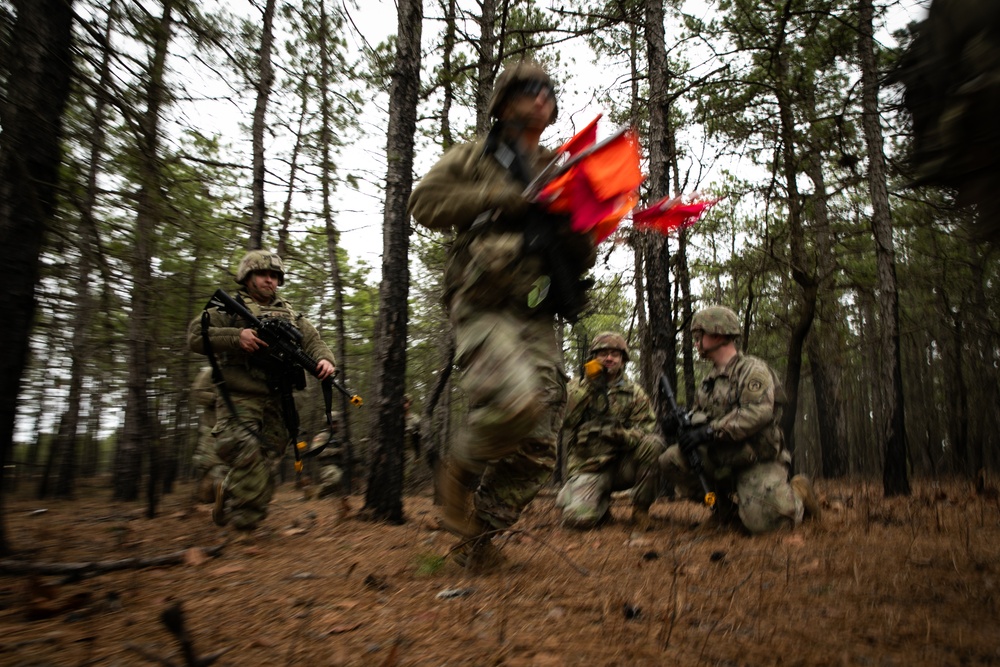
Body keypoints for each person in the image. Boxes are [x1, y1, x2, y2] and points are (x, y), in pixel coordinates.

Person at [407, 60, 596, 570]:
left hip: (535, 309)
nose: (543, 97)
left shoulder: (558, 168)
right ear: (505, 101)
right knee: (515, 403)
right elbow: (423, 202)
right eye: (531, 88)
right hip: (482, 302)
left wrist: (580, 229)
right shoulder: (475, 157)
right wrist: (502, 197)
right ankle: (459, 472)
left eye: (549, 90)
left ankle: (477, 541)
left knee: (540, 435)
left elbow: (583, 251)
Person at [187, 249, 336, 536]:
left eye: (274, 276)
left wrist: (326, 361)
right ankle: (245, 527)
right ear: (247, 277)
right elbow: (195, 336)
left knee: (267, 463)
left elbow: (314, 342)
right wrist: (235, 337)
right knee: (245, 451)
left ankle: (231, 494)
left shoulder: (292, 316)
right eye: (263, 275)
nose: (269, 281)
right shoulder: (227, 311)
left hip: (281, 399)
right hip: (240, 394)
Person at [658, 305, 821, 534]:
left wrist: (708, 432)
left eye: (698, 336)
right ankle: (725, 513)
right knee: (670, 459)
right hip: (722, 456)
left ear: (717, 334)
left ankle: (799, 492)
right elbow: (701, 415)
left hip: (755, 458)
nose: (695, 343)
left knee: (773, 525)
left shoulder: (753, 371)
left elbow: (756, 414)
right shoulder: (708, 381)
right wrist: (682, 423)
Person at [556, 332, 664, 530]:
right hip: (588, 466)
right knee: (577, 521)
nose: (609, 358)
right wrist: (588, 386)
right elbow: (564, 421)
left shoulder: (634, 393)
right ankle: (590, 500)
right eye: (603, 353)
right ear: (593, 358)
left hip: (621, 467)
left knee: (654, 444)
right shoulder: (577, 386)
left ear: (623, 359)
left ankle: (640, 511)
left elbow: (645, 429)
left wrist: (622, 436)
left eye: (615, 354)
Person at [190, 366, 227, 503]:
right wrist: (217, 398)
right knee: (208, 465)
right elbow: (198, 392)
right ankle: (201, 501)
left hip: (232, 430)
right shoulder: (211, 371)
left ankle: (222, 501)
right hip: (211, 428)